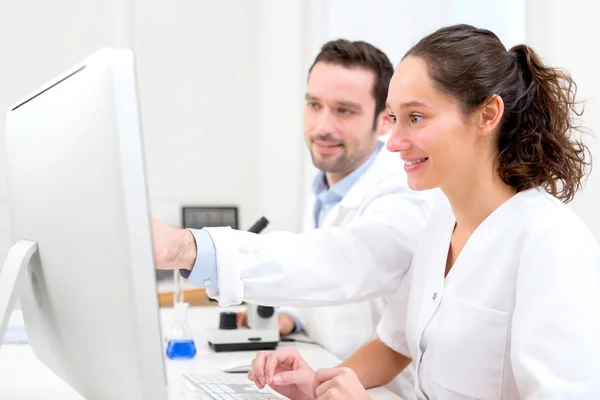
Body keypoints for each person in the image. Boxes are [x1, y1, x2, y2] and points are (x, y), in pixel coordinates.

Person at [246, 24, 600, 399]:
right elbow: (394, 346)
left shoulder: (551, 242)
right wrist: (318, 385)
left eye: (415, 118)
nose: (395, 143)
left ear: (486, 115)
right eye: (394, 119)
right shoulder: (440, 223)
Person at [152, 39, 438, 398]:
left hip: (381, 389)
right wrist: (293, 316)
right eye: (314, 105)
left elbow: (341, 264)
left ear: (384, 120)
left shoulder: (407, 195)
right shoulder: (326, 185)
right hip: (326, 371)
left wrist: (184, 248)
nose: (323, 126)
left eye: (344, 111)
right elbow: (329, 287)